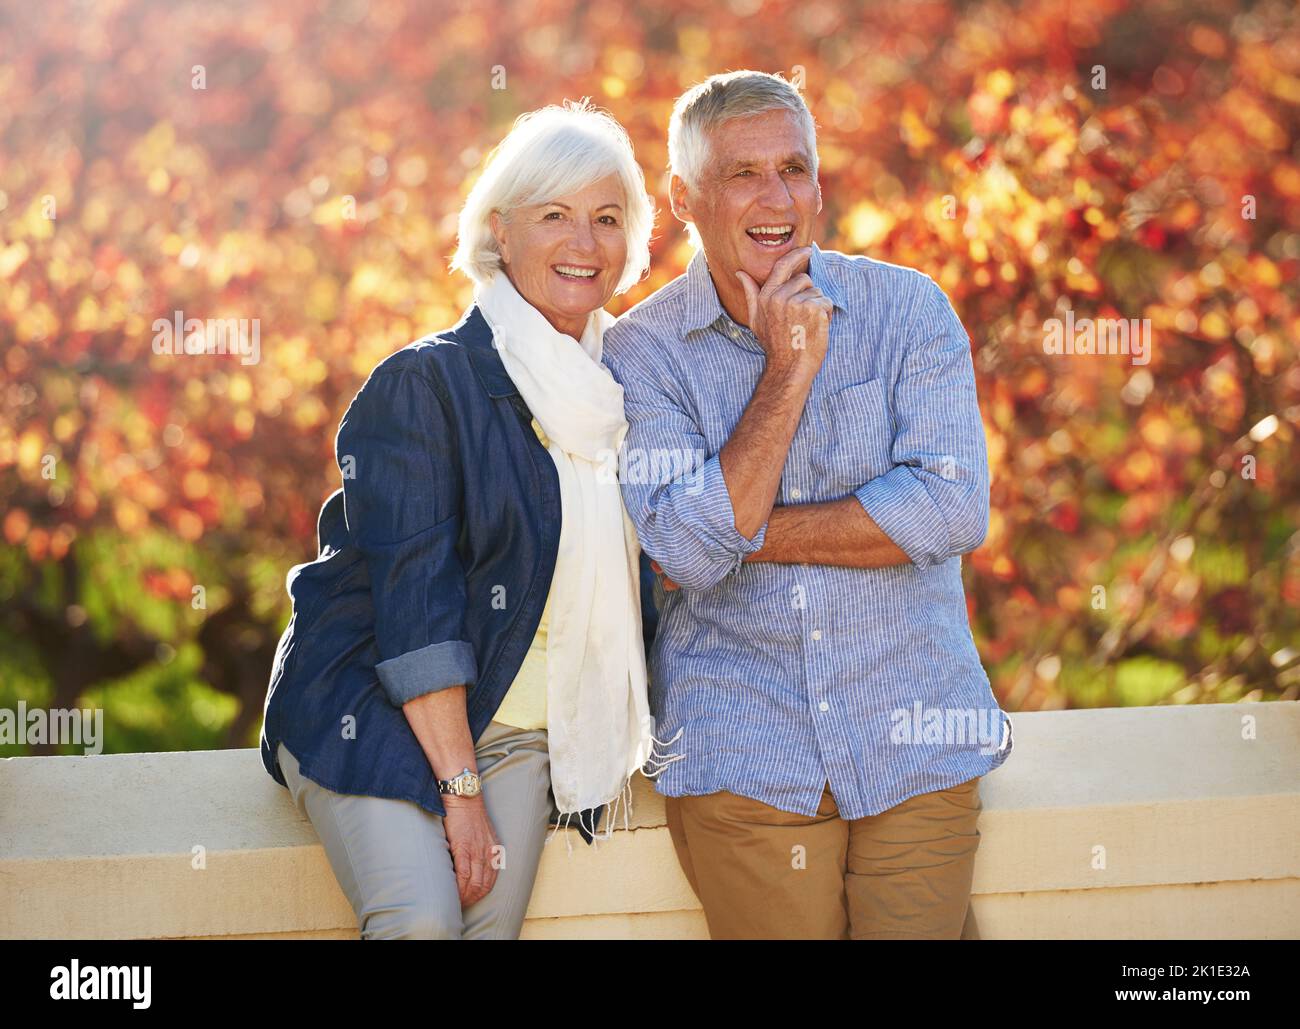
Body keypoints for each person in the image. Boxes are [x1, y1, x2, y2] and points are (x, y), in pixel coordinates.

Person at [601, 70, 1014, 940]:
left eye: (795, 168)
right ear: (685, 196)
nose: (776, 197)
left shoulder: (909, 310)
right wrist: (787, 370)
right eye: (744, 173)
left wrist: (743, 525)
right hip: (741, 748)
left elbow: (949, 509)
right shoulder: (643, 354)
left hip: (917, 732)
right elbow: (682, 553)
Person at [259, 99, 669, 939]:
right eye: (553, 214)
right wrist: (459, 789)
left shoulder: (626, 390)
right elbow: (414, 602)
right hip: (370, 702)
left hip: (517, 729)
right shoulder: (426, 384)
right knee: (420, 918)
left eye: (606, 218)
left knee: (487, 927)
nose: (584, 244)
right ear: (498, 231)